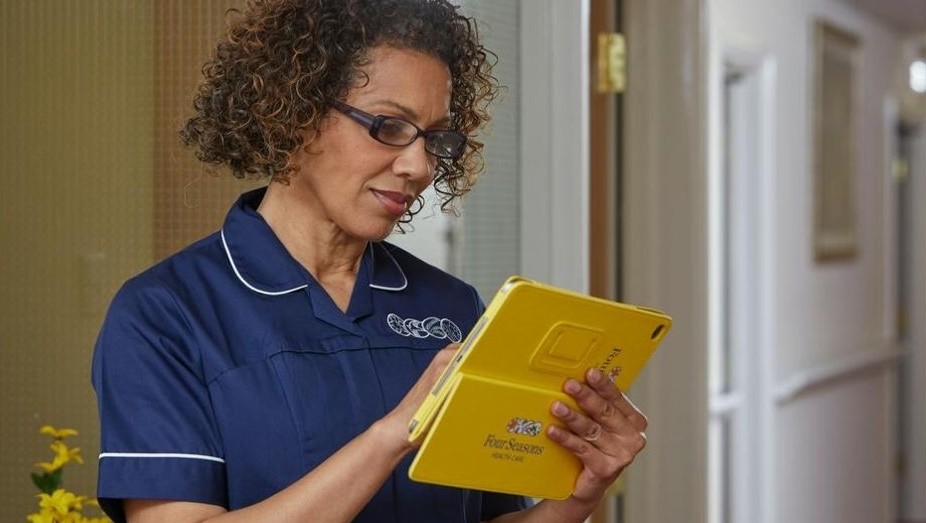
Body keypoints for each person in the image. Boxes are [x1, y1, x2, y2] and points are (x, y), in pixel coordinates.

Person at [91, 1, 649, 522]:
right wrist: (392, 437)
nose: (418, 166)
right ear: (294, 112)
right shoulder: (167, 314)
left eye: (435, 139)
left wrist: (576, 499)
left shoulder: (451, 307)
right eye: (389, 127)